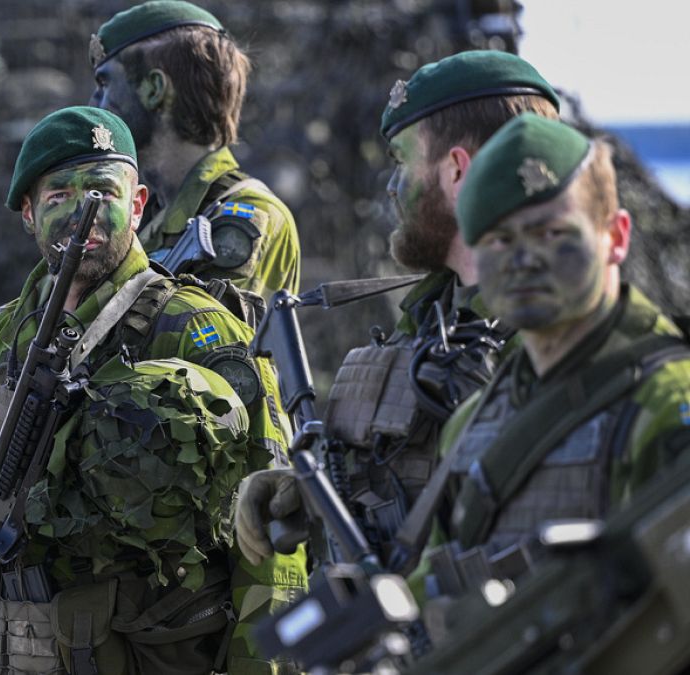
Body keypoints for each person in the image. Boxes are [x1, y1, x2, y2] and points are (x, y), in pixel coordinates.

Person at [0, 106, 304, 675]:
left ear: (138, 203)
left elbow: (273, 523)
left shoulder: (192, 327)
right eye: (59, 195)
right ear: (27, 213)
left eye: (103, 190)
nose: (84, 210)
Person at [235, 51, 562, 568]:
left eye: (404, 161)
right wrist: (311, 491)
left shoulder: (559, 338)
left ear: (456, 171)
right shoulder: (436, 315)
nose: (391, 186)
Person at [413, 113, 690, 637]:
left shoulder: (665, 405)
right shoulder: (473, 423)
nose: (522, 260)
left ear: (616, 236)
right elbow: (441, 586)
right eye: (497, 240)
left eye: (552, 232)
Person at [88, 0, 300, 300]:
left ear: (154, 89)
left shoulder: (246, 218)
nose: (94, 103)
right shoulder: (145, 216)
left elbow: (199, 338)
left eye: (105, 83)